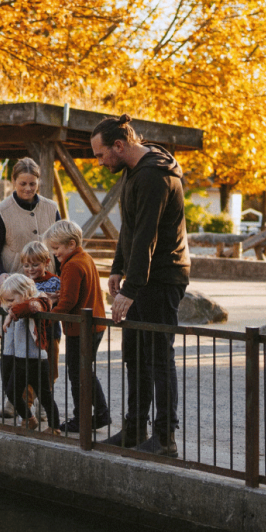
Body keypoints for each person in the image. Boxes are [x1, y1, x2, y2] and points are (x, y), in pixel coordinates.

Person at [91, 114, 189, 457]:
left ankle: (165, 438)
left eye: (101, 155)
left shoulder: (154, 176)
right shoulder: (134, 171)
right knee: (135, 354)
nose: (100, 162)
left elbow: (147, 235)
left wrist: (131, 290)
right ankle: (135, 427)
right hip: (141, 276)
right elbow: (129, 229)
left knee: (159, 356)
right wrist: (119, 269)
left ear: (119, 145)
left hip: (162, 277)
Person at [0, 242, 61, 421]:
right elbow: (0, 300)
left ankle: (50, 420)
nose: (30, 269)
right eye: (26, 265)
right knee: (16, 386)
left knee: (46, 383)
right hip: (21, 349)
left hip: (43, 338)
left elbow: (35, 304)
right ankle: (28, 415)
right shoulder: (21, 284)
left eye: (35, 264)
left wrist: (13, 313)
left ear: (46, 263)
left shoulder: (48, 286)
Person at [38, 220, 114, 432]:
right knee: (85, 372)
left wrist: (45, 316)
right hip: (94, 326)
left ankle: (82, 418)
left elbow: (68, 303)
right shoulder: (85, 258)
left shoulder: (71, 265)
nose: (54, 254)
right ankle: (101, 413)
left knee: (77, 375)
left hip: (79, 329)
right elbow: (73, 294)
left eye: (56, 248)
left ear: (71, 244)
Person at [0, 273, 60, 433]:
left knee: (44, 395)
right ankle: (29, 418)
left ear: (25, 293)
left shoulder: (39, 300)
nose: (9, 305)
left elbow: (29, 307)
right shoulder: (13, 304)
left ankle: (55, 427)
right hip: (20, 360)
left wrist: (11, 315)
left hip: (37, 360)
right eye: (8, 301)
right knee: (11, 392)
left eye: (11, 300)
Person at [0, 158, 62, 291]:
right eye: (23, 183)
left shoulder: (52, 208)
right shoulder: (1, 211)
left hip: (49, 288)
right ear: (13, 181)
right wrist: (0, 276)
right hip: (13, 289)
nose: (28, 188)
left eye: (32, 184)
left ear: (38, 182)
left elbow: (61, 247)